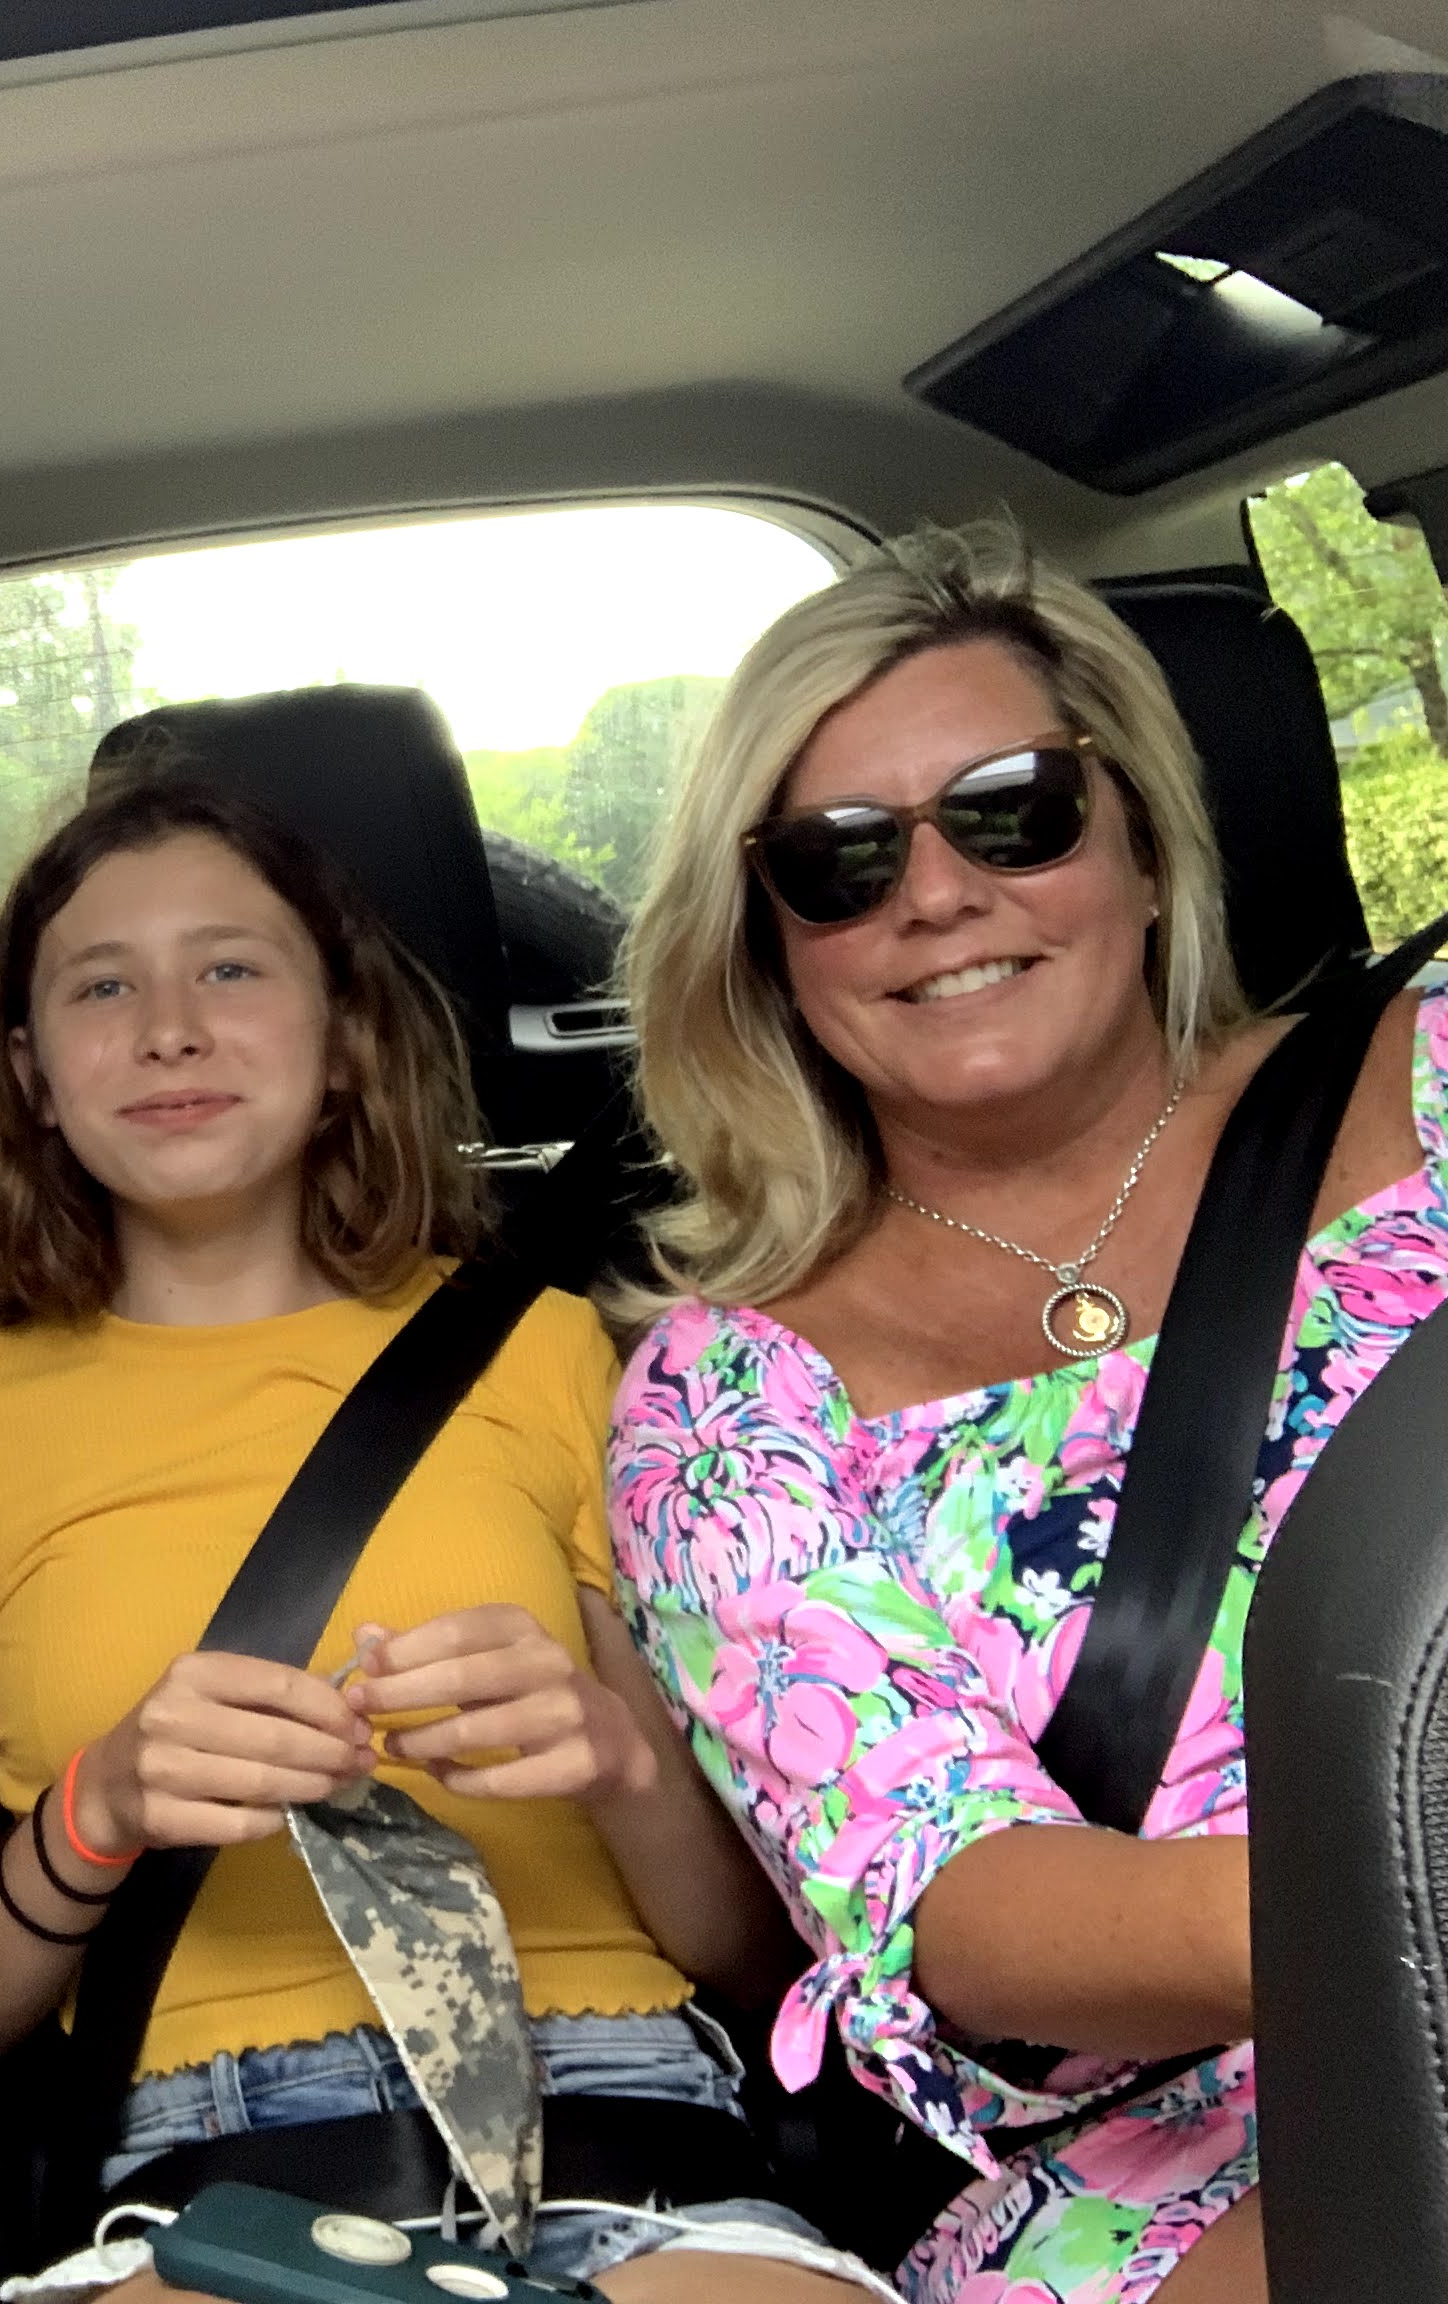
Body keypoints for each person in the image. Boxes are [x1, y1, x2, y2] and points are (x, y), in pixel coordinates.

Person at [0, 773, 889, 2301]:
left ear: (342, 1040)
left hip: (626, 2115)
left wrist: (614, 1758)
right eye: (101, 987)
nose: (170, 1029)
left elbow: (767, 1964)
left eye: (230, 968)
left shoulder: (554, 1355)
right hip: (211, 2175)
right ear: (33, 1076)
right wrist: (98, 1810)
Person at [608, 522, 1445, 2304]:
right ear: (771, 950)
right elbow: (961, 1903)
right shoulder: (728, 1403)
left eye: (1013, 810)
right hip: (1158, 2168)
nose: (934, 894)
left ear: (1142, 841)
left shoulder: (1433, 1071)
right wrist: (1420, 1907)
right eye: (840, 862)